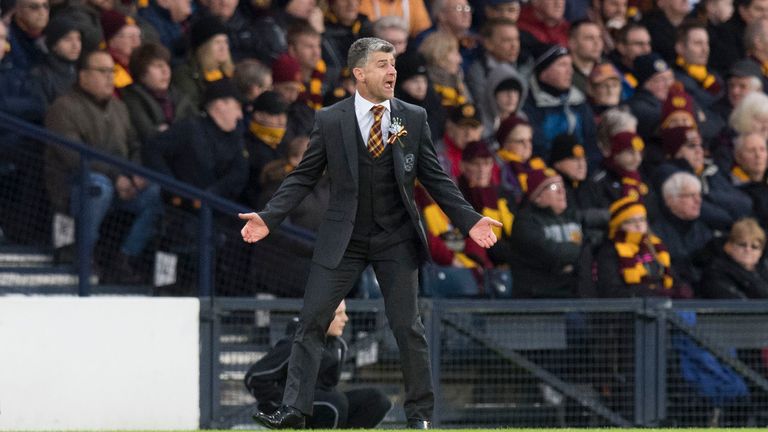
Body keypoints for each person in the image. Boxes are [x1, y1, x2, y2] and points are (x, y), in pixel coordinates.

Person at [239, 37, 501, 430]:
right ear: (359, 73)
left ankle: (419, 416)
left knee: (407, 326)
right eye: (382, 64)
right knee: (311, 320)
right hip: (344, 236)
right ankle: (295, 410)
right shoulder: (330, 119)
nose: (392, 71)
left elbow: (435, 178)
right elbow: (302, 176)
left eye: (392, 63)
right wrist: (269, 216)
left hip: (394, 236)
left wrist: (469, 219)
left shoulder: (413, 117)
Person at [44, 50, 162, 282]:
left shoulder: (119, 107)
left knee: (155, 193)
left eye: (112, 71)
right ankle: (83, 253)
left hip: (120, 181)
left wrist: (135, 173)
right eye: (102, 71)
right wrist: (117, 176)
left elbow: (134, 145)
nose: (110, 77)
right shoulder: (63, 107)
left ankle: (124, 257)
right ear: (83, 75)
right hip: (73, 184)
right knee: (99, 186)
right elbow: (75, 156)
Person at [244, 300, 393, 429]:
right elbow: (254, 378)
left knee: (377, 400)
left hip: (320, 403)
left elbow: (327, 387)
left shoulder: (337, 346)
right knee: (334, 403)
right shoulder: (297, 343)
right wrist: (287, 402)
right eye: (340, 313)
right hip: (286, 407)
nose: (346, 318)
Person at [701, 217, 768, 299]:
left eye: (754, 247)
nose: (748, 250)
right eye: (742, 244)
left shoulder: (764, 271)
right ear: (729, 246)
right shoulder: (716, 272)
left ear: (760, 252)